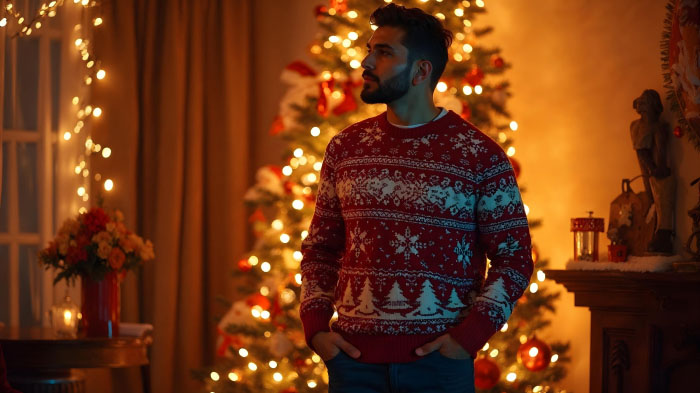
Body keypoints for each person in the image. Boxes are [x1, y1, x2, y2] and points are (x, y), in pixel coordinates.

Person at [299, 4, 533, 392]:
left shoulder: (479, 155)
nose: (366, 61)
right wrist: (317, 331)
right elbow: (321, 249)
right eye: (370, 49)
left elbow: (515, 258)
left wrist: (467, 339)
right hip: (353, 367)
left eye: (385, 52)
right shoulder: (346, 148)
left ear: (422, 71)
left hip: (438, 368)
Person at [630, 89, 675, 253]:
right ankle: (657, 233)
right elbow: (641, 150)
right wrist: (653, 169)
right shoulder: (637, 126)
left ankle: (662, 233)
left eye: (645, 103)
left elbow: (660, 151)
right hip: (650, 171)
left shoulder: (659, 127)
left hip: (656, 172)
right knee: (652, 199)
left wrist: (658, 168)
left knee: (659, 198)